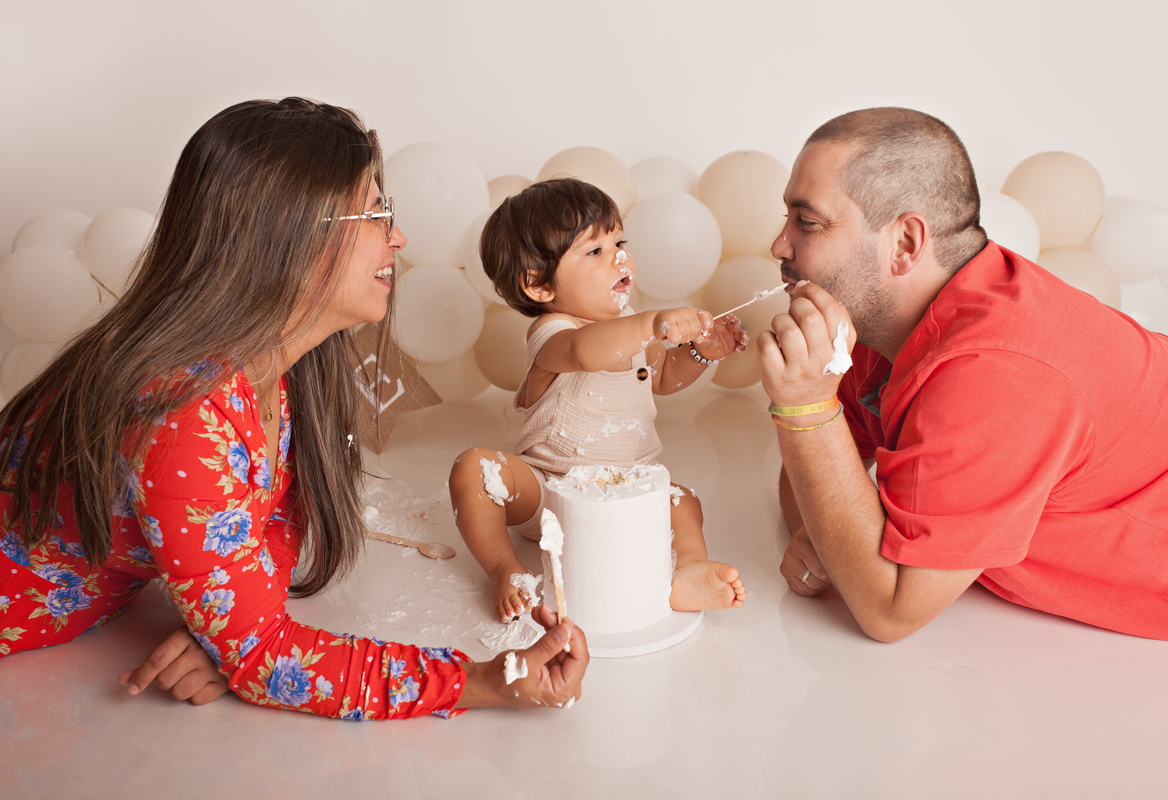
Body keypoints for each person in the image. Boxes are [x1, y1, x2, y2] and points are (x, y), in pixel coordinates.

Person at [0, 97, 587, 717]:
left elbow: (281, 516)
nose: (399, 237)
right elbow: (265, 663)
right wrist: (487, 681)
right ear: (289, 234)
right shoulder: (182, 416)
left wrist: (232, 624)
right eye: (376, 211)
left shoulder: (281, 365)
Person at [761, 107, 1168, 644]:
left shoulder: (994, 376)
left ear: (904, 245)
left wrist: (804, 407)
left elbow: (890, 610)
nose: (778, 246)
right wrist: (826, 532)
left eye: (807, 223)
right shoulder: (880, 317)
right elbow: (825, 469)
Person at [448, 178, 747, 622]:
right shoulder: (552, 333)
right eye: (596, 252)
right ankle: (503, 568)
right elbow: (585, 352)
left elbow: (663, 377)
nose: (621, 258)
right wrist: (651, 324)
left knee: (682, 499)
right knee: (475, 468)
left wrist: (702, 352)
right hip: (549, 490)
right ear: (539, 286)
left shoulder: (629, 323)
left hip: (627, 490)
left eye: (619, 242)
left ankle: (685, 569)